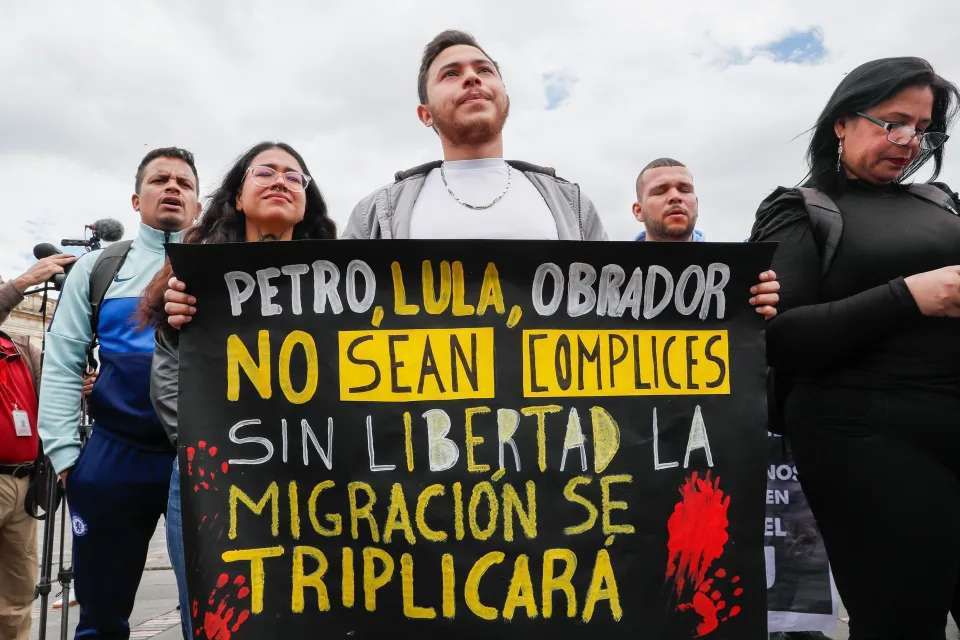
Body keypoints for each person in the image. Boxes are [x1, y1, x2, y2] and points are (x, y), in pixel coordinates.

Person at [750, 57, 960, 639]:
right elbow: (782, 338)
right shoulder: (803, 209)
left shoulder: (941, 201)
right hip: (866, 436)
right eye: (893, 121)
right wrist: (910, 295)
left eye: (923, 129)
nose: (908, 141)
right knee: (902, 619)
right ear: (843, 121)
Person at [140, 141, 336, 638]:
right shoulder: (193, 277)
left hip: (316, 480)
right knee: (217, 617)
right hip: (215, 480)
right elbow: (168, 374)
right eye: (265, 171)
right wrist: (206, 447)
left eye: (295, 177)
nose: (280, 181)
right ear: (238, 195)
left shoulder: (339, 281)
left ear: (307, 200)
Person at [37, 147, 201, 639]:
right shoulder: (98, 268)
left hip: (200, 458)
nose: (172, 188)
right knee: (101, 618)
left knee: (213, 613)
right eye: (159, 180)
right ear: (136, 199)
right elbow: (64, 361)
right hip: (115, 454)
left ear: (198, 204)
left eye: (184, 183)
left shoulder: (220, 261)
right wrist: (66, 456)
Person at [0, 255, 74, 640]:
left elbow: (51, 395)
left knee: (17, 595)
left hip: (23, 480)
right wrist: (23, 282)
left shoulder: (18, 347)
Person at [632, 157, 705, 242]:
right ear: (639, 211)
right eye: (660, 192)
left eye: (685, 190)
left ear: (696, 205)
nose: (675, 196)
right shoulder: (615, 255)